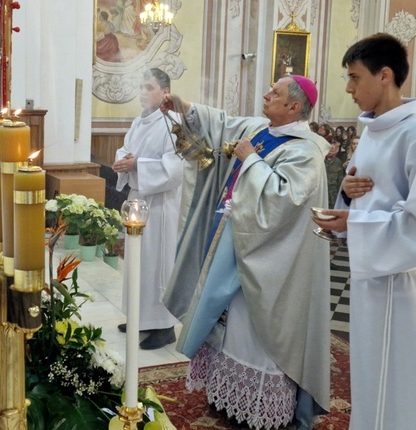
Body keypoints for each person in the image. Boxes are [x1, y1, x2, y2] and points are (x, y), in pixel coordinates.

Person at [161, 74, 330, 429]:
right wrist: (184, 106)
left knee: (251, 328)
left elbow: (284, 199)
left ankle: (258, 407)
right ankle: (226, 395)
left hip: (267, 259)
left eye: (276, 93)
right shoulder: (261, 128)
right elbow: (223, 125)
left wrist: (251, 161)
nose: (266, 94)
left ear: (294, 107)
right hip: (232, 241)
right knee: (225, 322)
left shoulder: (305, 150)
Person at [312, 33, 416, 429]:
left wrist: (356, 223)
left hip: (400, 281)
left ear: (385, 75)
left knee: (401, 378)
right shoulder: (373, 133)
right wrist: (345, 199)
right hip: (369, 278)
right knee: (370, 371)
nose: (349, 88)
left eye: (354, 77)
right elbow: (364, 197)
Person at [112, 68, 183, 350]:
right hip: (139, 196)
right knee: (137, 260)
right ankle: (140, 318)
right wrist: (123, 161)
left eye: (149, 87)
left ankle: (164, 326)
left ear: (165, 93)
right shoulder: (139, 121)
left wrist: (137, 165)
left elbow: (175, 168)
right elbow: (125, 148)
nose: (143, 92)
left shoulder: (172, 122)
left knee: (157, 263)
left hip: (160, 203)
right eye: (141, 86)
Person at [325, 140, 344, 208]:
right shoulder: (321, 160)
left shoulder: (338, 162)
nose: (331, 150)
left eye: (333, 149)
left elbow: (340, 179)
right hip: (323, 191)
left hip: (334, 193)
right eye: (329, 149)